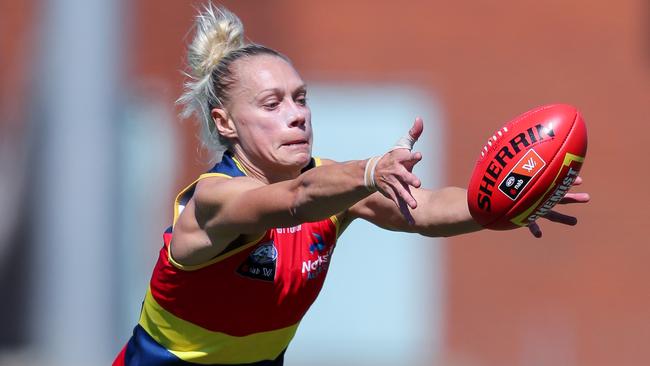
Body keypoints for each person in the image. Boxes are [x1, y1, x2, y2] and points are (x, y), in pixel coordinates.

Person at [113, 4, 589, 366]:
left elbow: (421, 210)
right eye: (272, 104)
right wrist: (368, 172)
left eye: (300, 98)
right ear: (226, 123)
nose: (297, 114)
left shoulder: (329, 185)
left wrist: (505, 202)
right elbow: (294, 200)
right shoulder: (214, 199)